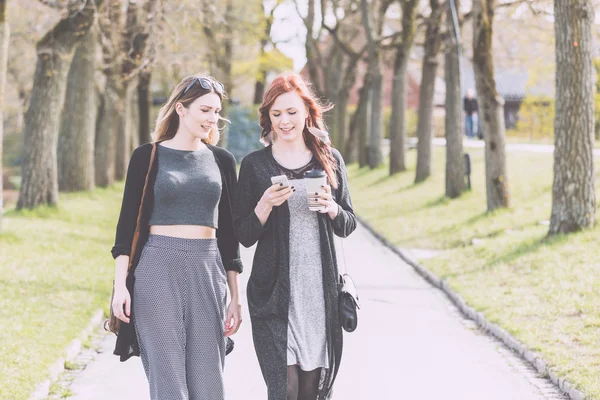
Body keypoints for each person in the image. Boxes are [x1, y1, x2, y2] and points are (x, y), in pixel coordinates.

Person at [110, 74, 243, 400]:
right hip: (157, 268)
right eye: (205, 110)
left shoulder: (221, 161)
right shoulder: (147, 156)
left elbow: (229, 235)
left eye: (216, 112)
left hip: (207, 269)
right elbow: (126, 227)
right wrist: (120, 286)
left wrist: (236, 297)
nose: (212, 118)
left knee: (208, 380)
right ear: (181, 109)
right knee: (168, 380)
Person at [234, 72, 357, 400]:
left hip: (319, 294)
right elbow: (243, 235)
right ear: (268, 118)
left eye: (291, 112)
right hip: (273, 295)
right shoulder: (254, 166)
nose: (284, 121)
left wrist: (331, 207)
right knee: (283, 390)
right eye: (276, 114)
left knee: (309, 392)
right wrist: (264, 205)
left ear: (306, 112)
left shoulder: (329, 160)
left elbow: (348, 224)